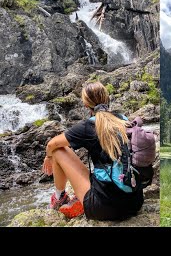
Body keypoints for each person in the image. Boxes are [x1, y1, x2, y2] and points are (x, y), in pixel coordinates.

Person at [41, 81, 143, 220]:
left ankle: (60, 198)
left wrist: (48, 157)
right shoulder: (122, 119)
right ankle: (78, 196)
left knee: (59, 150)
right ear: (107, 99)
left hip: (104, 208)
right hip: (134, 202)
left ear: (85, 105)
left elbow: (52, 144)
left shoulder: (88, 126)